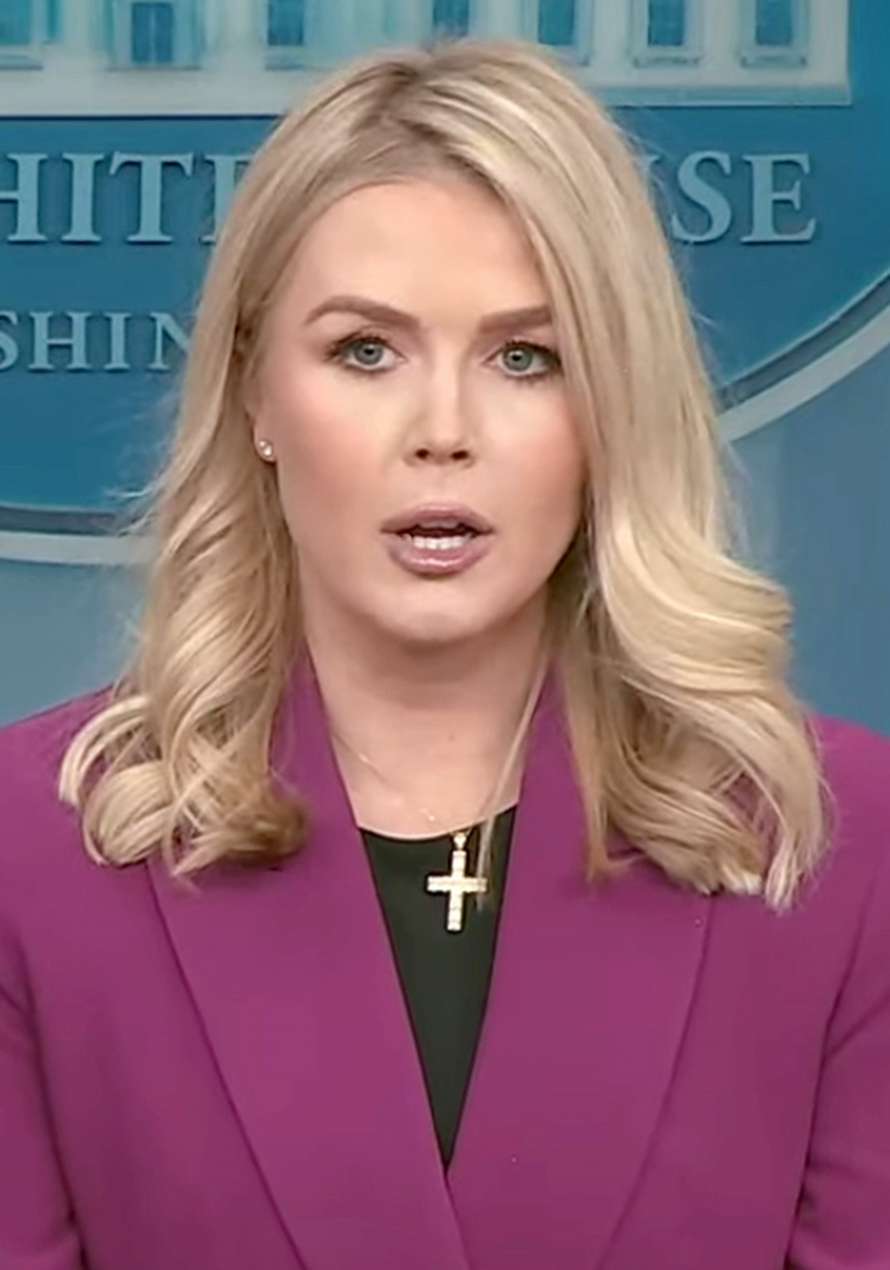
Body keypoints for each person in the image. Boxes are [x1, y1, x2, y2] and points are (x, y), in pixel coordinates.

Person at [0, 36, 888, 1270]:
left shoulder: (839, 845)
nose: (443, 432)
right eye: (365, 351)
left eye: (525, 358)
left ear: (610, 407)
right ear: (255, 394)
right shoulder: (33, 853)